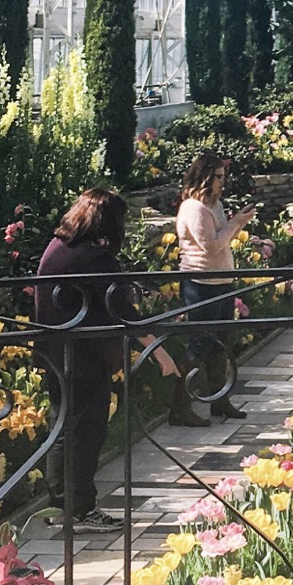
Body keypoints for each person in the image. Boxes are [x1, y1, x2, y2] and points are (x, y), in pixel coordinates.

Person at [34, 189, 177, 532]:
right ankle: (81, 510)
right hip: (84, 356)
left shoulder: (58, 246)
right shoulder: (94, 256)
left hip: (54, 352)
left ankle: (59, 508)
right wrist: (160, 351)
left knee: (62, 428)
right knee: (86, 432)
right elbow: (122, 309)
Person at [175, 153, 256, 420]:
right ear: (206, 177)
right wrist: (237, 223)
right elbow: (210, 246)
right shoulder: (194, 208)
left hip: (221, 281)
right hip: (200, 282)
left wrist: (234, 224)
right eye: (219, 177)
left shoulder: (214, 205)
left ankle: (219, 400)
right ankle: (181, 407)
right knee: (199, 343)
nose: (223, 182)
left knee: (221, 343)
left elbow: (221, 240)